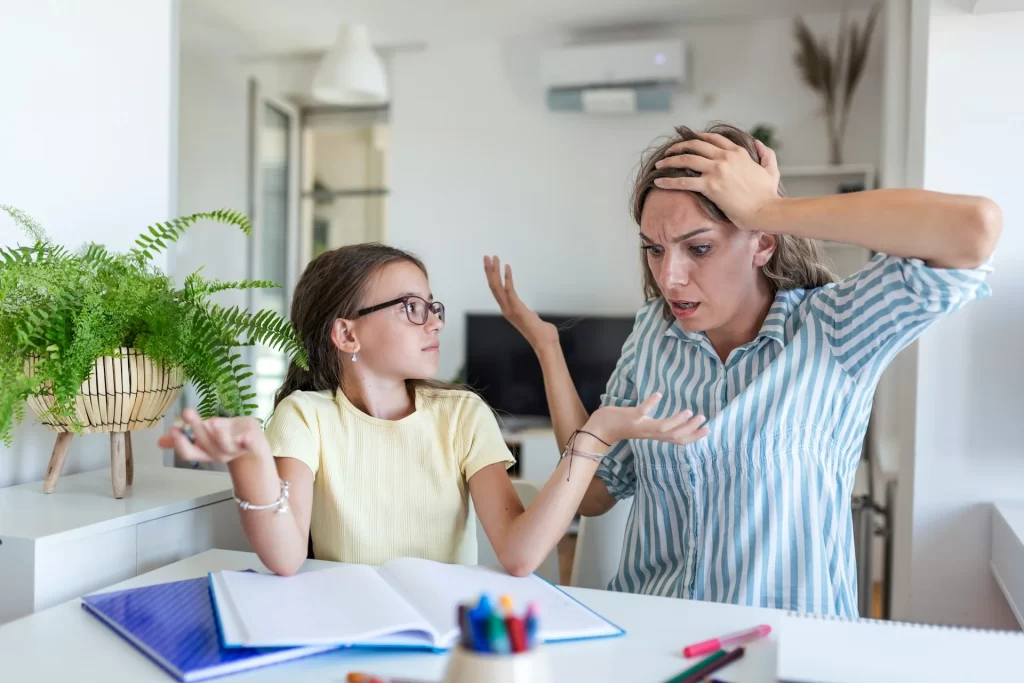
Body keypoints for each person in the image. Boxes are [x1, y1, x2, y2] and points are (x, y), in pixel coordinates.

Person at [484, 122, 1001, 617]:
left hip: (787, 651)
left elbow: (974, 229)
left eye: (699, 247)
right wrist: (549, 349)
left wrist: (768, 207)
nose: (669, 277)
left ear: (763, 241)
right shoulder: (651, 335)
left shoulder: (833, 329)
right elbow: (596, 493)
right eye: (655, 250)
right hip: (654, 640)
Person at [159, 243, 709, 578]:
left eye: (433, 307)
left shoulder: (462, 414)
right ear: (346, 332)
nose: (435, 322)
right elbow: (283, 557)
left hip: (444, 637)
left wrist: (597, 432)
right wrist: (250, 454)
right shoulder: (306, 417)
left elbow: (519, 555)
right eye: (412, 309)